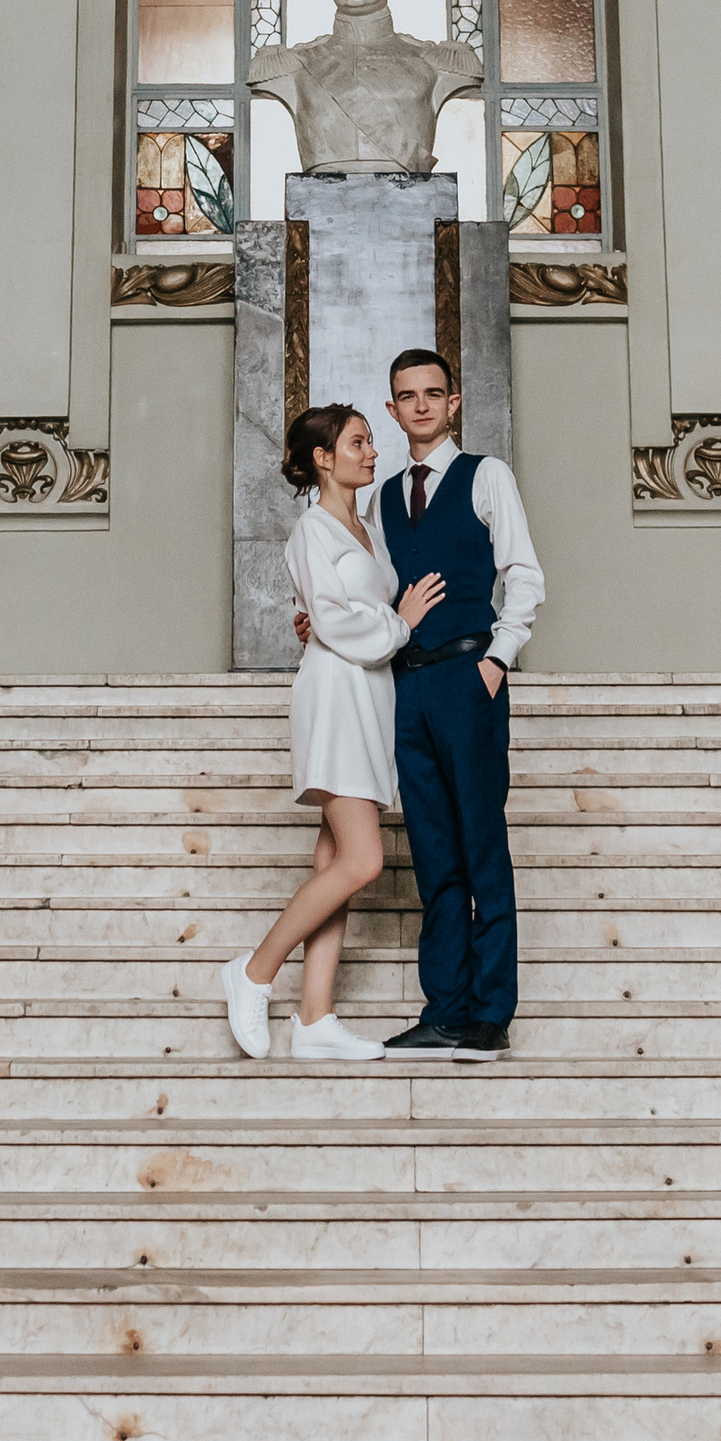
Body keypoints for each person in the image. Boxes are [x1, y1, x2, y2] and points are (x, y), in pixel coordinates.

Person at [222, 400, 444, 1066]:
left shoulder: (367, 526)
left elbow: (330, 610)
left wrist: (354, 619)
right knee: (363, 860)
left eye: (372, 442)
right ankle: (254, 971)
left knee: (335, 863)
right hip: (338, 691)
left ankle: (315, 1014)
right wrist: (399, 622)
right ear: (323, 458)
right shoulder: (312, 529)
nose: (373, 452)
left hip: (371, 694)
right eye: (357, 443)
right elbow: (335, 618)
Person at [376, 347, 544, 1059]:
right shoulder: (384, 495)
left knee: (480, 845)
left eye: (432, 393)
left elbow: (524, 573)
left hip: (469, 676)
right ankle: (444, 1007)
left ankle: (489, 1015)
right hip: (408, 686)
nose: (420, 405)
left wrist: (498, 660)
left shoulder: (486, 475)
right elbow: (387, 593)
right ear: (391, 410)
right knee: (432, 850)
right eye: (406, 396)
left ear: (454, 404)